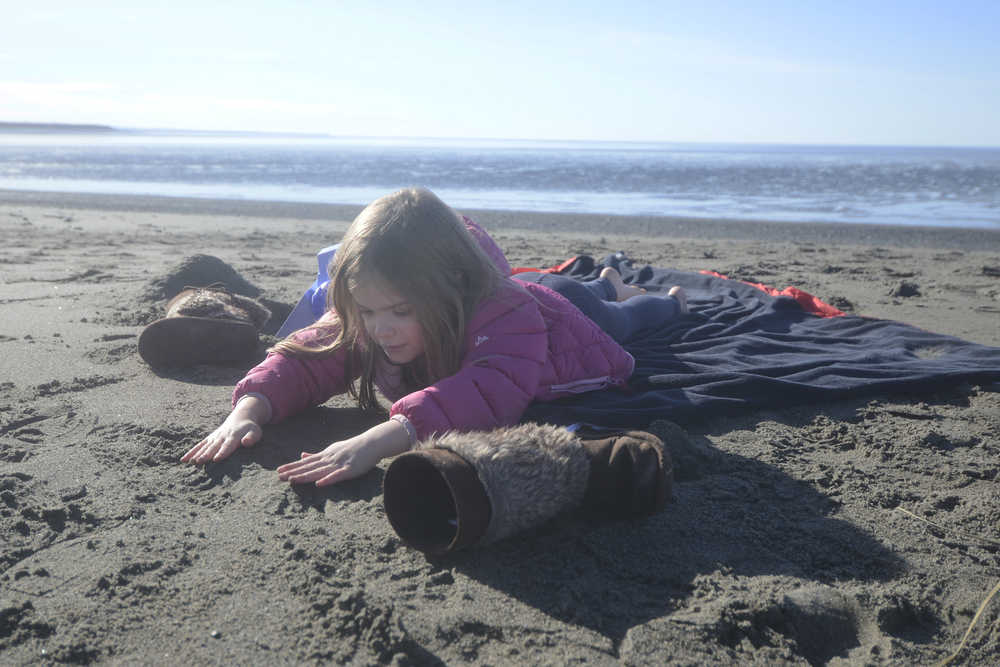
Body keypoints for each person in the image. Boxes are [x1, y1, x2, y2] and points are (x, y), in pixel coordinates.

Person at [181, 187, 687, 486]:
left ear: (448, 289)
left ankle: (659, 297)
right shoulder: (377, 311)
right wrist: (250, 408)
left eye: (400, 311)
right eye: (370, 310)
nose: (381, 328)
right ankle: (604, 282)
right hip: (531, 291)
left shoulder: (508, 313)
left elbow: (490, 390)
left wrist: (379, 439)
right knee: (586, 290)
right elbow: (313, 354)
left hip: (566, 326)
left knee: (622, 318)